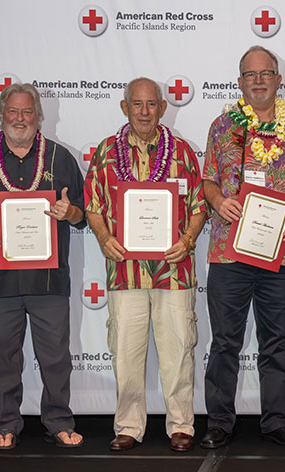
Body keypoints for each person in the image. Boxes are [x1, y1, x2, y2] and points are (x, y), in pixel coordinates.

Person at [200, 45, 285, 449]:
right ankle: (218, 422)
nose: (259, 80)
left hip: (281, 256)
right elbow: (208, 180)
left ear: (278, 79)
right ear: (240, 82)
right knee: (225, 341)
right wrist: (217, 201)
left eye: (266, 73)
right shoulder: (221, 126)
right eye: (251, 75)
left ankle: (276, 422)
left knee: (274, 344)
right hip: (229, 252)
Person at [0, 83, 86, 450]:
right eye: (12, 111)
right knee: (2, 357)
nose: (19, 118)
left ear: (39, 116)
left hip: (49, 281)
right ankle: (6, 422)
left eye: (27, 112)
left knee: (56, 357)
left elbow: (82, 216)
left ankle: (59, 420)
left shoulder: (61, 158)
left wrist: (70, 212)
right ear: (1, 115)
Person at [84, 77, 206, 452]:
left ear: (162, 107)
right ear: (125, 107)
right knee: (126, 352)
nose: (144, 111)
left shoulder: (183, 152)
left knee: (178, 352)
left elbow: (200, 206)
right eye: (136, 104)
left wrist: (187, 241)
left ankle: (181, 425)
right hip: (126, 272)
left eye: (151, 104)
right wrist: (104, 239)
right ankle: (129, 426)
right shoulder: (106, 152)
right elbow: (93, 206)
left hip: (175, 270)